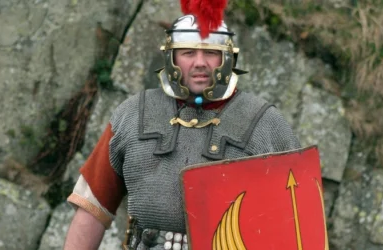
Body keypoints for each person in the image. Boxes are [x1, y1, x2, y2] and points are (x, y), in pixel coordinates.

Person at [64, 14, 301, 250]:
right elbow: (92, 208)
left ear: (228, 58)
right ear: (171, 57)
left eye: (210, 52)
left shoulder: (265, 124)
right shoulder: (133, 115)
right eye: (188, 52)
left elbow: (296, 226)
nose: (200, 62)